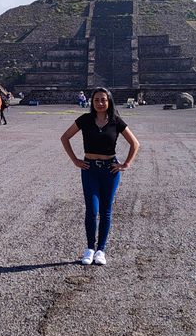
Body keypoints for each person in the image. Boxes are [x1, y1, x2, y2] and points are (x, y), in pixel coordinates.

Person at [60, 87, 139, 266]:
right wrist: (75, 160)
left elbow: (135, 143)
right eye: (97, 100)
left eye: (103, 99)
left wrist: (125, 164)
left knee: (106, 211)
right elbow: (64, 137)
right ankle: (89, 248)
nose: (100, 103)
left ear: (109, 101)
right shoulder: (85, 120)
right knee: (92, 210)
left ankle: (101, 250)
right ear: (92, 102)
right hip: (90, 169)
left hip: (110, 171)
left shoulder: (116, 121)